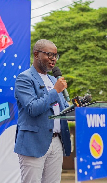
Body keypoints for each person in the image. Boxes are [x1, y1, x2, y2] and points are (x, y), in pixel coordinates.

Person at [14, 39, 71, 183]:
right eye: (49, 55)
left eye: (55, 56)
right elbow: (32, 108)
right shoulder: (24, 78)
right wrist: (55, 91)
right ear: (36, 54)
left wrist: (76, 106)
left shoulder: (53, 80)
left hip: (57, 141)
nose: (53, 59)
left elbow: (63, 109)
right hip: (33, 142)